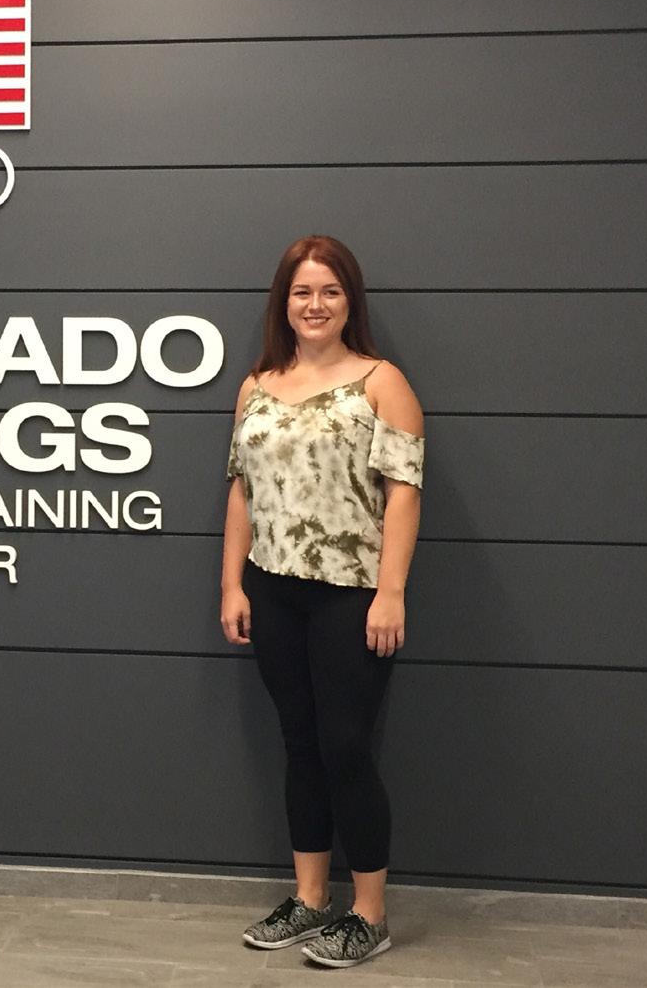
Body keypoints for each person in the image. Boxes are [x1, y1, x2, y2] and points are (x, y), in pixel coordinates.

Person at [220, 235, 424, 969]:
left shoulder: (381, 382)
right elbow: (241, 490)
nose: (315, 304)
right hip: (272, 591)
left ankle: (369, 914)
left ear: (349, 301)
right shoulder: (256, 385)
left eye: (329, 291)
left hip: (351, 596)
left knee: (345, 747)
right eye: (302, 292)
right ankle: (310, 900)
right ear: (284, 302)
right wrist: (231, 583)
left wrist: (390, 592)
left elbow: (404, 494)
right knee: (299, 743)